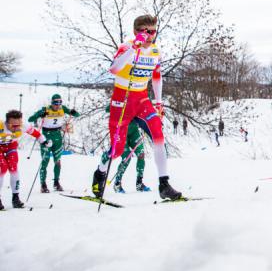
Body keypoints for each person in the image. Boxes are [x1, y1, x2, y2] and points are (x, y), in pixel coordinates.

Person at [91, 14, 182, 200]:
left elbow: (156, 77)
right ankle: (100, 172)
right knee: (117, 149)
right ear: (135, 32)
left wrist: (158, 102)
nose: (149, 35)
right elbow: (114, 69)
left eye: (153, 32)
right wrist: (134, 48)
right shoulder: (127, 47)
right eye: (144, 31)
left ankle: (164, 184)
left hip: (141, 98)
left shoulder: (155, 51)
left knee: (158, 136)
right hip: (122, 98)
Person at [28, 93, 80, 192]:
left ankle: (56, 182)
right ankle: (43, 184)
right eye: (55, 103)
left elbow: (77, 115)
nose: (57, 105)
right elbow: (30, 119)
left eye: (60, 103)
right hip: (46, 137)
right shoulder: (46, 109)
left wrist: (73, 112)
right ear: (52, 103)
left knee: (58, 161)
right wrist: (40, 115)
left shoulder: (63, 108)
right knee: (45, 161)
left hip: (57, 137)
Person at [1, 110, 51, 209]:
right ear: (7, 123)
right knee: (2, 168)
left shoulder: (23, 126)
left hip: (11, 146)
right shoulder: (0, 126)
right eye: (13, 126)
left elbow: (37, 134)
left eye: (18, 125)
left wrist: (44, 141)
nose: (16, 128)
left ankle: (16, 198)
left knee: (13, 168)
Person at [102, 105, 150, 193]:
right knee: (127, 157)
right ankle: (117, 183)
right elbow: (108, 109)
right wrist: (120, 107)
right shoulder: (122, 96)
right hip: (121, 132)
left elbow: (145, 111)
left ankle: (139, 183)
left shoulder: (136, 98)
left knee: (141, 154)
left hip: (134, 131)